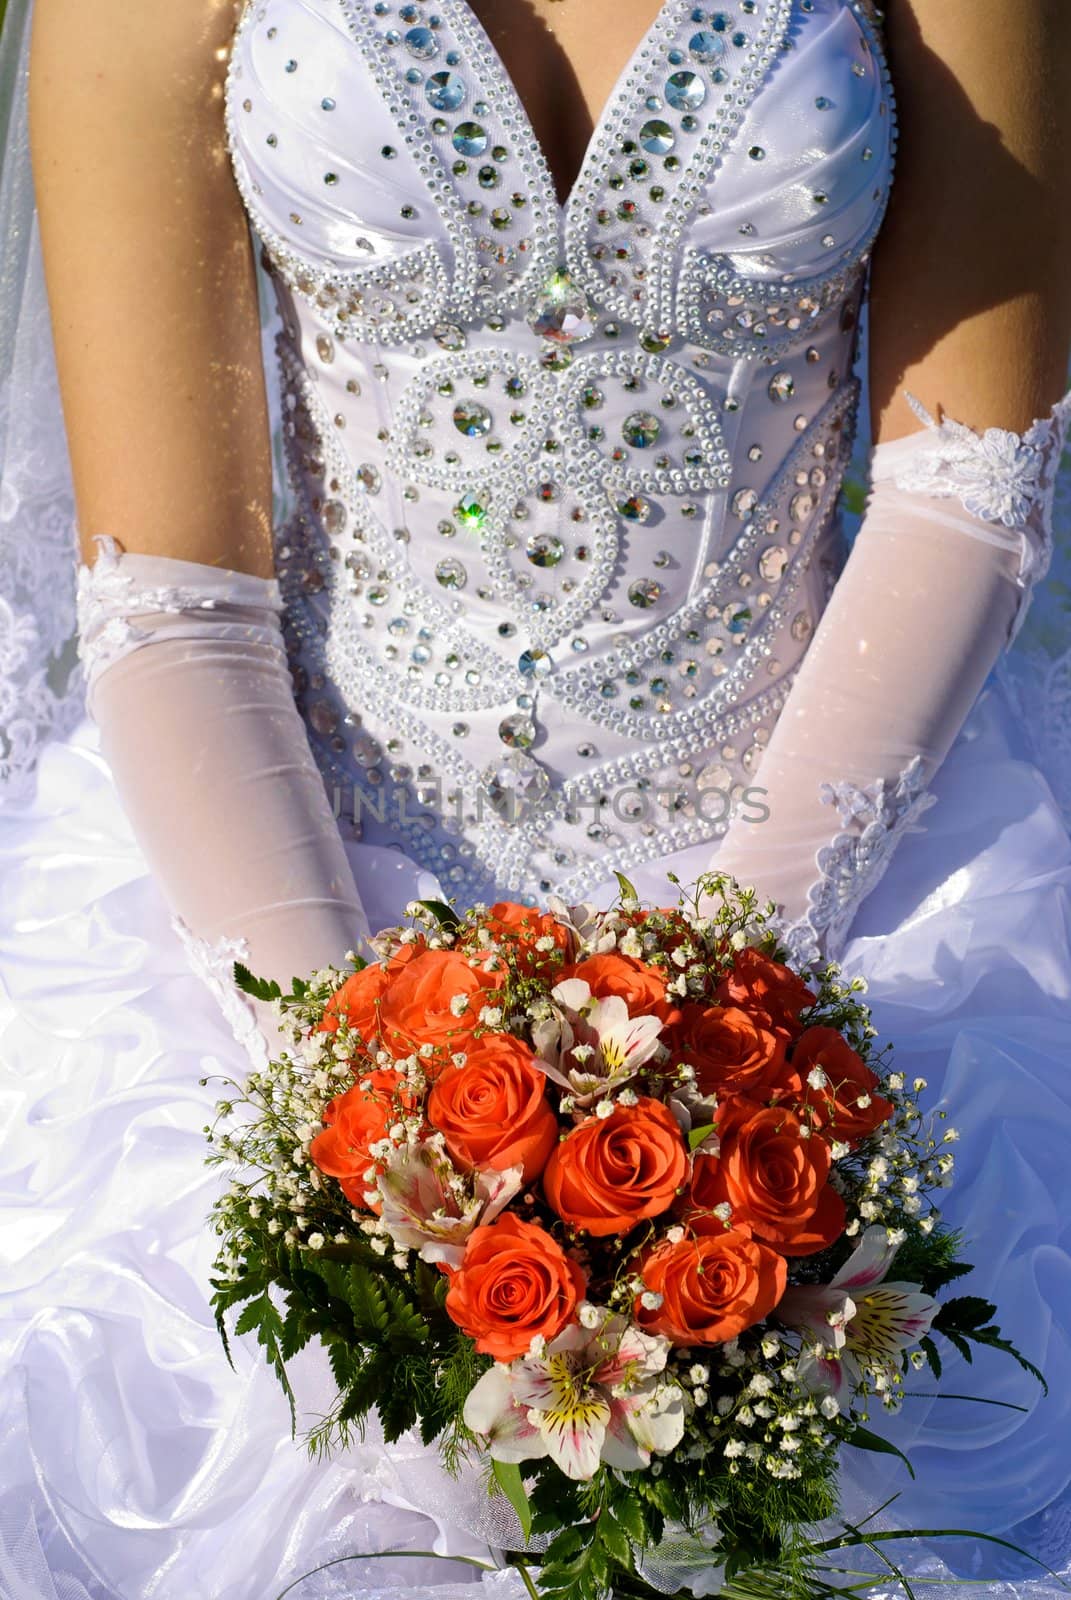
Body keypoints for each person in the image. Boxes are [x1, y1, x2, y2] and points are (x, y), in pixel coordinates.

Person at [0, 0, 1070, 1594]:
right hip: (288, 900)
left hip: (837, 886)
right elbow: (170, 590)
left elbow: (965, 491)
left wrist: (727, 1047)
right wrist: (361, 1103)